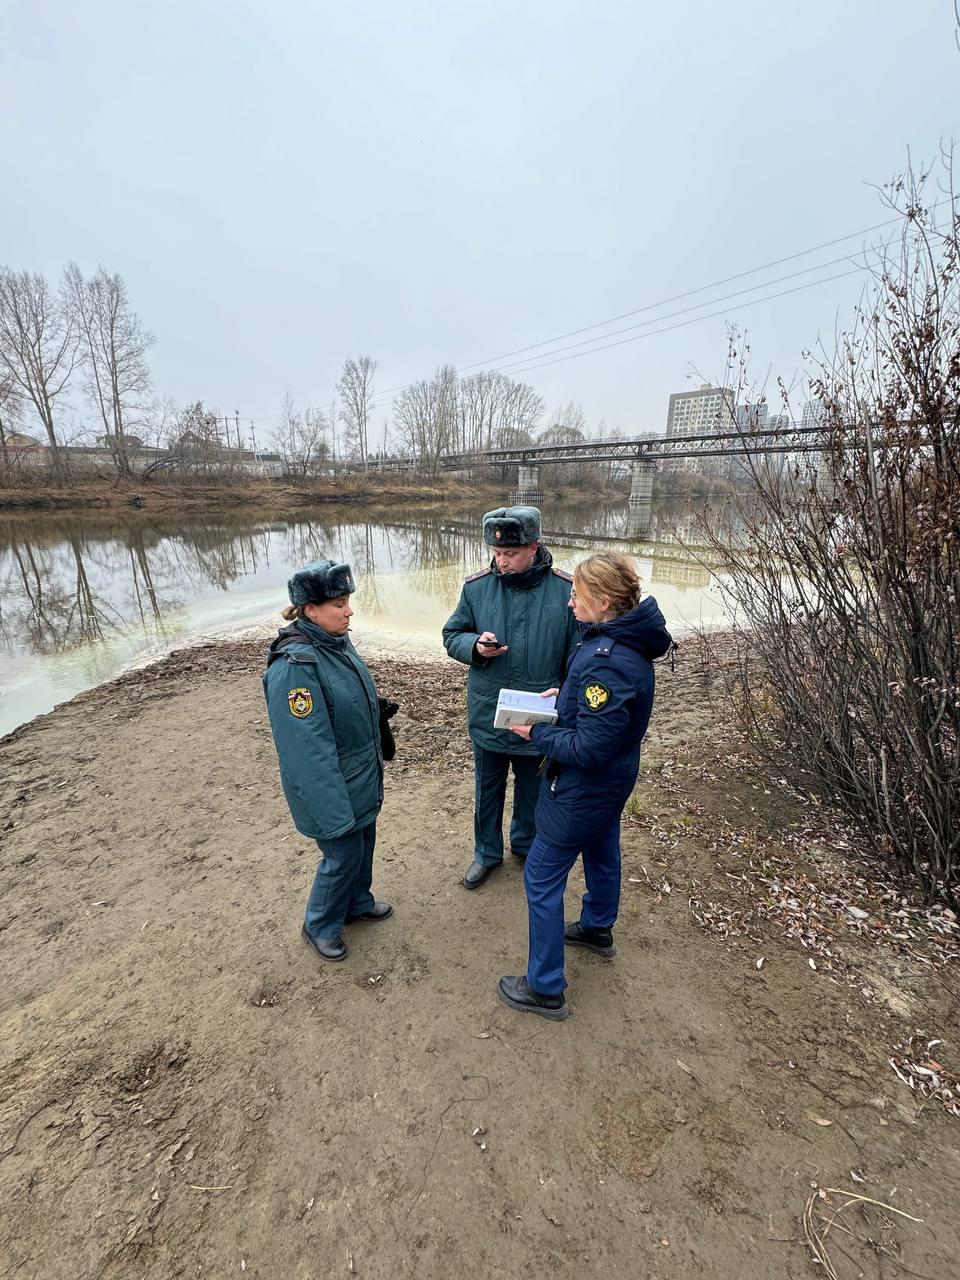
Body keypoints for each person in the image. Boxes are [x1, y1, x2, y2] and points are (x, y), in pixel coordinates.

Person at [497, 552, 672, 1020]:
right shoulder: (617, 642)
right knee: (601, 849)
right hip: (611, 784)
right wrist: (565, 698)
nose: (570, 601)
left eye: (578, 595)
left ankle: (545, 987)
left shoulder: (609, 662)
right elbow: (602, 716)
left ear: (606, 601)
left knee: (540, 876)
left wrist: (537, 732)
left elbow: (591, 748)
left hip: (583, 788)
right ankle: (597, 928)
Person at [443, 506, 579, 889]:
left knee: (533, 789)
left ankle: (525, 846)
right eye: (497, 554)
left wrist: (566, 700)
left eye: (511, 554)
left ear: (534, 547)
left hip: (539, 715)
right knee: (487, 790)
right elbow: (451, 635)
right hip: (489, 713)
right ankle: (486, 854)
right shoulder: (476, 588)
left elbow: (578, 654)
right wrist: (474, 646)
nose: (501, 561)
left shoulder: (566, 590)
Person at [263, 559, 392, 962]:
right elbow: (307, 753)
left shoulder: (336, 642)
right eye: (339, 604)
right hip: (331, 785)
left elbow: (342, 699)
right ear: (310, 610)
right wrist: (332, 812)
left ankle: (357, 902)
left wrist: (374, 708)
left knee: (364, 842)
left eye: (348, 601)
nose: (349, 610)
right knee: (342, 854)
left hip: (358, 773)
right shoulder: (295, 667)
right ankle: (319, 924)